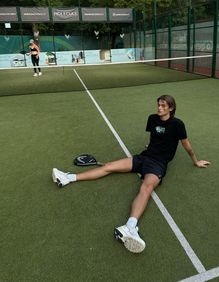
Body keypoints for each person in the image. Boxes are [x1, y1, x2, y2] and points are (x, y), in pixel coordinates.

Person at [52, 95, 210, 253]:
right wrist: (151, 146)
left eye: (163, 106)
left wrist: (195, 161)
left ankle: (129, 227)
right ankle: (68, 178)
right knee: (109, 166)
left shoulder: (177, 124)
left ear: (171, 108)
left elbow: (186, 145)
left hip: (158, 164)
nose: (159, 108)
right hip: (143, 157)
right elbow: (154, 136)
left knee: (146, 188)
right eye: (158, 105)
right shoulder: (152, 119)